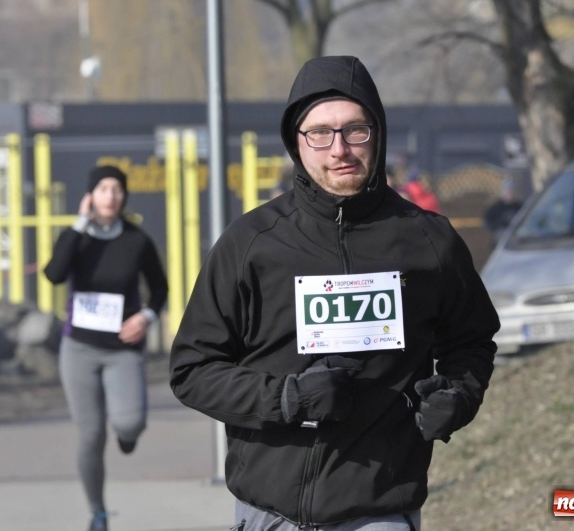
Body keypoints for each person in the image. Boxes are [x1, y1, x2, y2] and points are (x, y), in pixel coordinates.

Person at [169, 56, 499, 530]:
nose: (339, 148)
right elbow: (192, 370)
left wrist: (457, 395)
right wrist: (286, 399)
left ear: (377, 133)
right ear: (296, 142)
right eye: (319, 133)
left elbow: (471, 341)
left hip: (378, 508)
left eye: (354, 130)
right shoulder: (252, 243)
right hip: (270, 510)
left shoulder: (429, 240)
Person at [44, 165, 168, 531]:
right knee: (91, 434)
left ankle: (127, 438)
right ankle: (97, 510)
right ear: (91, 195)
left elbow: (160, 289)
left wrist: (145, 317)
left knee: (130, 423)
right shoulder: (75, 237)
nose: (110, 195)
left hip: (122, 348)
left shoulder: (136, 240)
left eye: (117, 189)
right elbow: (54, 274)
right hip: (79, 348)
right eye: (102, 188)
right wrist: (79, 224)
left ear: (124, 196)